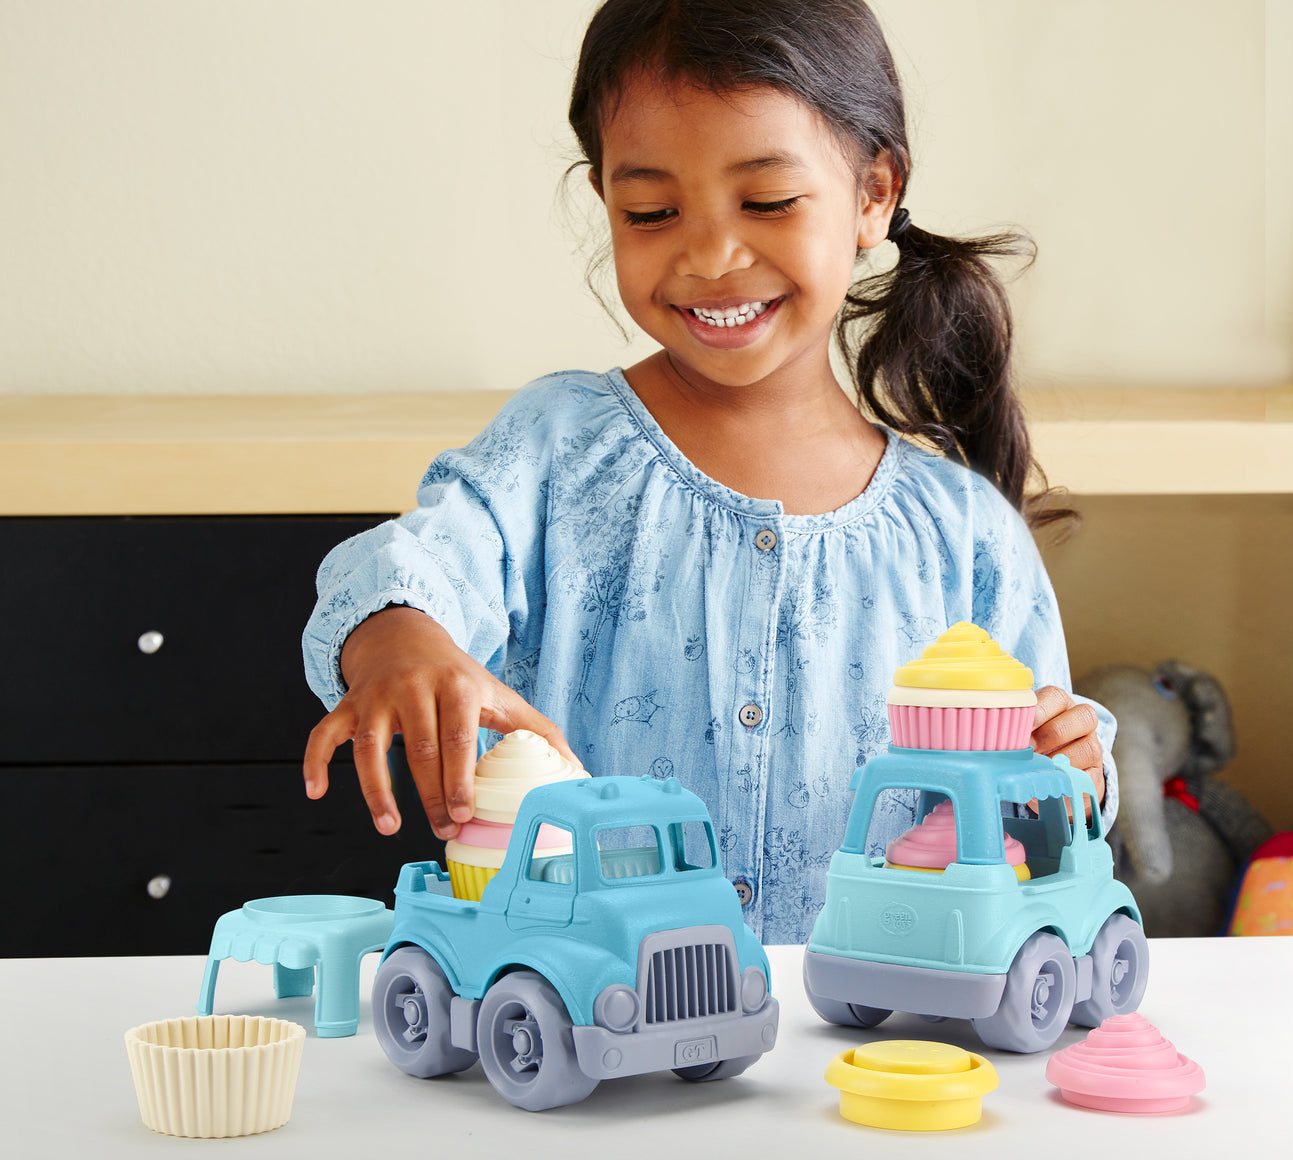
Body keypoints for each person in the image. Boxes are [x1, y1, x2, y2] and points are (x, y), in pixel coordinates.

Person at [301, 0, 1116, 944]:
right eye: (651, 211)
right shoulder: (557, 452)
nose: (710, 255)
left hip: (868, 1050)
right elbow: (414, 569)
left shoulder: (960, 532)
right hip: (589, 1024)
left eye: (766, 200)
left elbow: (1042, 810)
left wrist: (1073, 772)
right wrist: (404, 642)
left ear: (872, 194)